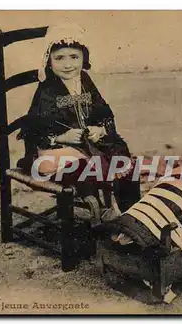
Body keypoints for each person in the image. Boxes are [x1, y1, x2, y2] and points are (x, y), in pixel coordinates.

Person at [16, 24, 141, 217]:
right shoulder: (47, 90)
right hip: (53, 152)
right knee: (86, 168)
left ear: (84, 58)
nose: (68, 65)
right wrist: (61, 137)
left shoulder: (84, 80)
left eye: (74, 57)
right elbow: (34, 128)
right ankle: (99, 211)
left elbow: (104, 112)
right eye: (59, 58)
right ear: (49, 62)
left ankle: (131, 213)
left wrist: (100, 129)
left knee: (124, 162)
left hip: (85, 145)